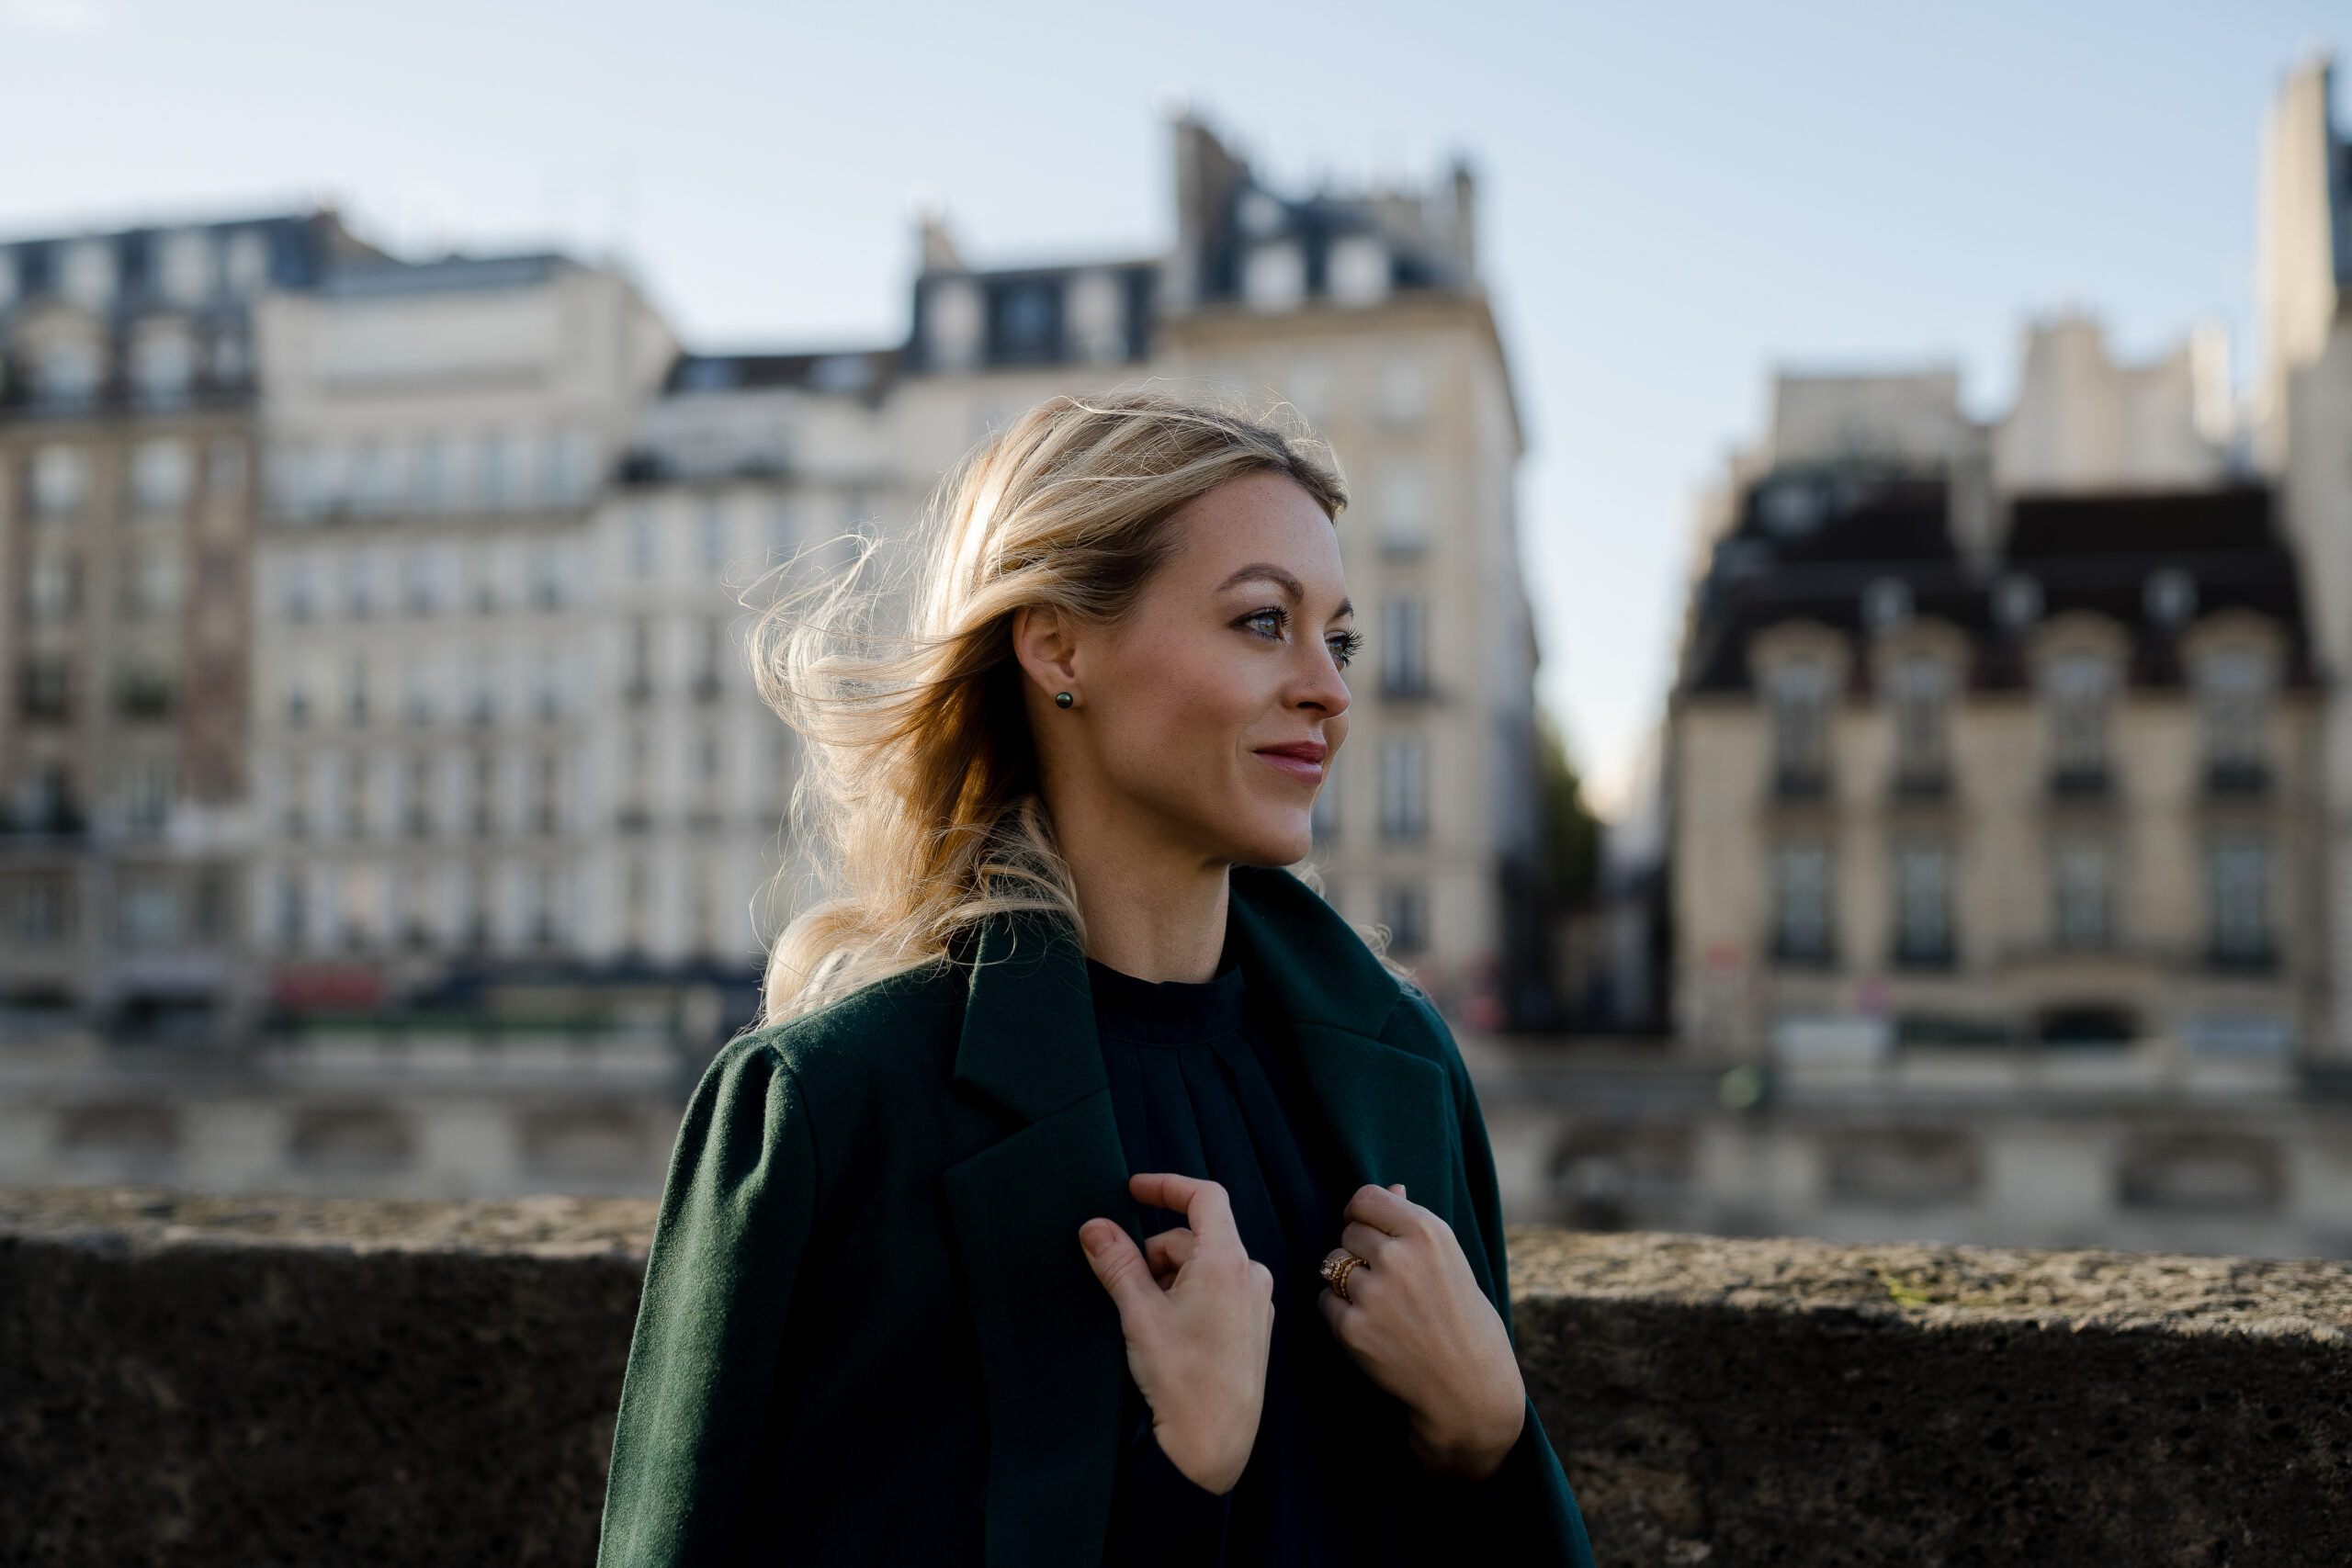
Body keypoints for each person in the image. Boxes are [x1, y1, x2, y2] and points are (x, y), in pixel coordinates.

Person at [596, 391, 1595, 1567]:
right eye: (1263, 621)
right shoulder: (828, 1112)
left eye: (1341, 637)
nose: (1329, 688)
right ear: (1059, 645)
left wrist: (1486, 1440)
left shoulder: (1406, 1068)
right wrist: (1178, 1469)